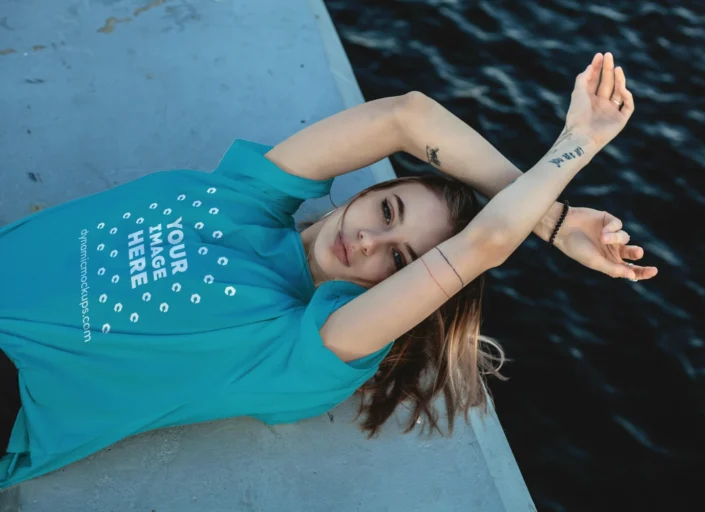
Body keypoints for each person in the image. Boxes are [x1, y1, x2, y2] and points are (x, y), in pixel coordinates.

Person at [0, 52, 656, 488]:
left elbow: (483, 245)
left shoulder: (304, 348)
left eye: (399, 261)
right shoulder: (247, 194)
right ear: (364, 192)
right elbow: (404, 117)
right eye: (387, 209)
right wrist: (557, 216)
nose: (369, 240)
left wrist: (577, 146)